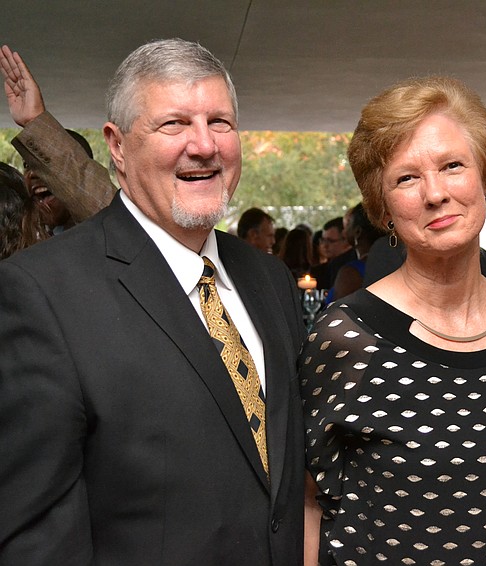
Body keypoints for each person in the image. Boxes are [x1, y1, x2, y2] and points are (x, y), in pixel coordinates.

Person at [0, 39, 305, 564]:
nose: (205, 145)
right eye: (174, 124)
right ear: (117, 146)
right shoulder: (40, 293)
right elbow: (35, 537)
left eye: (221, 122)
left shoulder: (269, 279)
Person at [301, 76, 486, 565]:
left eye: (452, 165)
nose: (435, 193)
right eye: (406, 178)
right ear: (385, 208)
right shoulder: (345, 336)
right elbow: (310, 502)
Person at [1, 44, 115, 223]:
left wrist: (34, 121)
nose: (33, 173)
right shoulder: (21, 239)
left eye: (39, 164)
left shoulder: (103, 232)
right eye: (27, 165)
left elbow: (103, 207)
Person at [325, 202, 382, 301]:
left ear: (358, 232)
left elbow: (339, 311)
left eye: (348, 224)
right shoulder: (390, 262)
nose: (343, 231)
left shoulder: (351, 273)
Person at [309, 216, 355, 290]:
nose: (325, 245)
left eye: (330, 241)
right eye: (323, 240)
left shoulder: (352, 267)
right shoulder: (319, 271)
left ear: (346, 240)